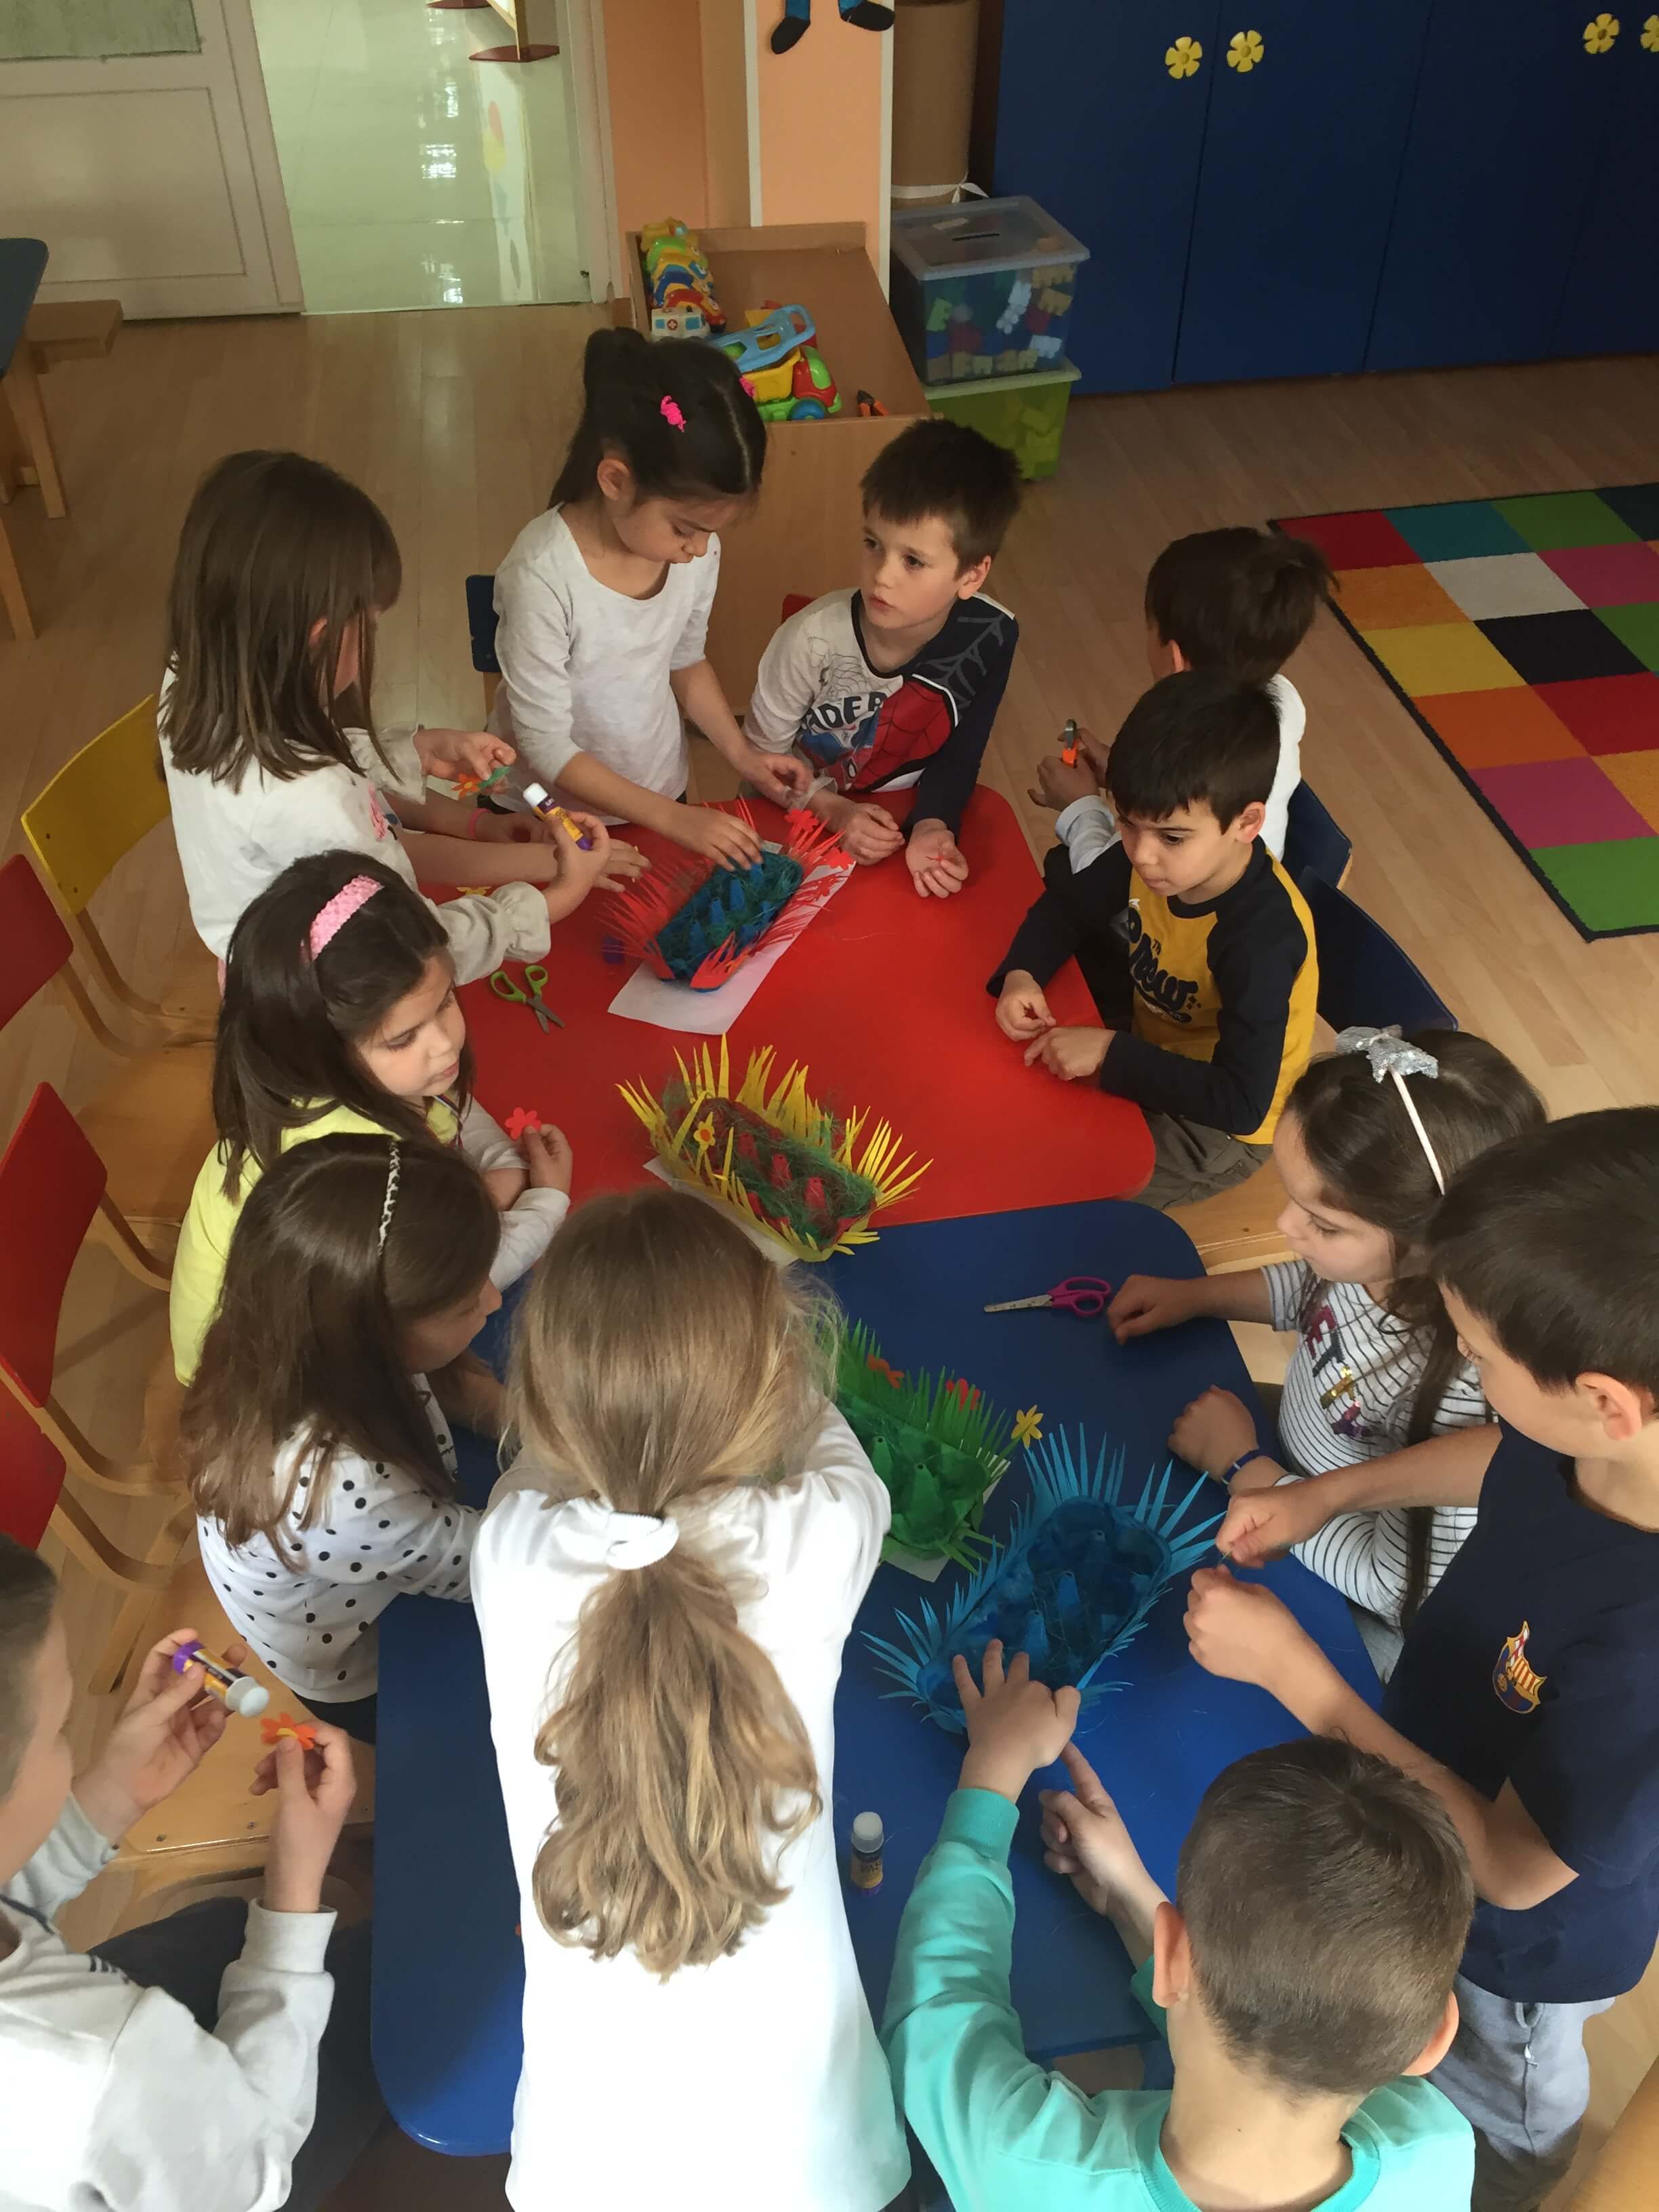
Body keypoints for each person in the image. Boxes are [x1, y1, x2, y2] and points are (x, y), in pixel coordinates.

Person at [1185, 1107, 1659, 2211]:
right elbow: (1505, 1452)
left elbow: (1512, 1868)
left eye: (1481, 1357)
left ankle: (1512, 2172)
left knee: (1500, 2095)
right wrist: (1325, 1495)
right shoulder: (1586, 1438)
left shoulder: (1641, 1651)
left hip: (1514, 1951)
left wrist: (1297, 1675)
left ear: (1604, 1402)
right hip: (1431, 1767)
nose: (1472, 1374)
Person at [473, 1187, 909, 2210]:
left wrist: (609, 1399)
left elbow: (547, 1463)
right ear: (776, 1375)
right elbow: (844, 1461)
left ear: (543, 1400)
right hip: (819, 2163)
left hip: (587, 2169)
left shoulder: (510, 1554)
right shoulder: (817, 1538)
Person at [883, 1641, 1475, 2211]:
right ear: (1434, 2037)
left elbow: (937, 2022)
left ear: (1172, 1960)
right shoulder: (1438, 2154)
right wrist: (1129, 1899)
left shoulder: (1028, 2169)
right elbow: (1296, 2025)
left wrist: (992, 1775)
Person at [1109, 1027, 1545, 1649]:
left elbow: (1392, 1590)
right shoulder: (1378, 1267)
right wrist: (1198, 1296)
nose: (1286, 1226)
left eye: (1324, 1225)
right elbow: (1317, 1294)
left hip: (1347, 1602)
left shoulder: (1462, 1391)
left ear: (1434, 1241)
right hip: (1285, 1467)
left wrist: (1245, 1468)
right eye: (1293, 1200)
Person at [0, 1539, 377, 2211]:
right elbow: (254, 2166)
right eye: (58, 1732)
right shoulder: (92, 2074)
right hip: (230, 2162)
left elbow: (12, 1896)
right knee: (373, 2003)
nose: (69, 1748)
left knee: (218, 1927)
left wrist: (114, 1793)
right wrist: (292, 1893)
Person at [159, 449, 633, 981]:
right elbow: (414, 954)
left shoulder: (201, 675)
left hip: (275, 958)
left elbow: (329, 782)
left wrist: (425, 763)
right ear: (322, 638)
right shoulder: (310, 805)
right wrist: (555, 898)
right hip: (326, 998)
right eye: (372, 625)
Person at [169, 852, 571, 1382]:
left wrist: (503, 1166)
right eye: (403, 1038)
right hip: (277, 1387)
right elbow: (455, 1297)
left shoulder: (322, 1080)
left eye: (445, 1003)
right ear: (326, 1050)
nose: (445, 1044)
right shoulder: (355, 1161)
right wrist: (547, 1204)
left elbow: (446, 1101)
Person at [182, 1134, 499, 1742]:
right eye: (466, 1301)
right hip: (360, 1664)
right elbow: (488, 1562)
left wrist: (521, 1420)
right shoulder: (339, 1489)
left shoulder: (288, 1327)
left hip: (363, 1563)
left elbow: (449, 1382)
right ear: (376, 1334)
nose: (494, 1298)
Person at [992, 669, 1317, 1210]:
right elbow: (1069, 904)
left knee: (1046, 1187)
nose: (1142, 855)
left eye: (1171, 836)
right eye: (1126, 823)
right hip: (1154, 1049)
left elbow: (1242, 1103)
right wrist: (1022, 973)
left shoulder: (1261, 937)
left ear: (1247, 823)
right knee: (1002, 1095)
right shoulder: (1158, 855)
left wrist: (1108, 1051)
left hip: (1219, 1129)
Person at [488, 327, 810, 869]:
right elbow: (545, 745)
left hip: (657, 793)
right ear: (616, 481)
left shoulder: (696, 552)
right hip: (547, 813)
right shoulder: (541, 576)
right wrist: (674, 819)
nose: (699, 549)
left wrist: (742, 755)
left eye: (711, 532)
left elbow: (686, 660)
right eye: (685, 528)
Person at [743, 417, 1022, 897]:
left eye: (913, 561)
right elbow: (758, 761)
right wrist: (832, 811)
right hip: (793, 820)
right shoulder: (809, 638)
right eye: (873, 544)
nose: (882, 576)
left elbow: (961, 753)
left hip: (898, 823)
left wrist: (932, 824)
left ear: (972, 576)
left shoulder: (992, 634)